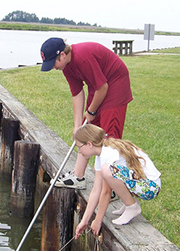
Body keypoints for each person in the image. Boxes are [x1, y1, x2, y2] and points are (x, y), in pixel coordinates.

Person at [40, 38, 133, 192]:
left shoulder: (83, 57)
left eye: (53, 63)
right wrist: (77, 127)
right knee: (85, 132)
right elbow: (77, 93)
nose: (53, 68)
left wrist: (91, 111)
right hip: (98, 86)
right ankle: (78, 176)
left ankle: (113, 186)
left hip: (115, 82)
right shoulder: (66, 67)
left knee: (110, 137)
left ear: (62, 55)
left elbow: (103, 87)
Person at [73, 124, 161, 238]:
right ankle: (129, 202)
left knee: (107, 171)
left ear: (89, 144)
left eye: (79, 147)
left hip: (150, 188)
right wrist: (84, 221)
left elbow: (106, 192)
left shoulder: (109, 154)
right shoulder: (100, 156)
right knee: (105, 171)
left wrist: (98, 220)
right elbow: (96, 190)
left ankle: (132, 206)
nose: (79, 151)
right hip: (142, 184)